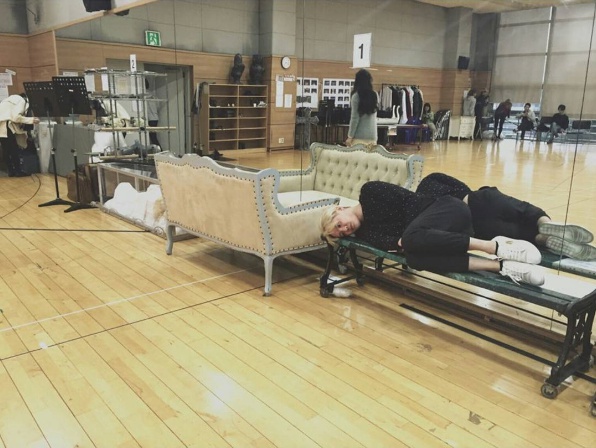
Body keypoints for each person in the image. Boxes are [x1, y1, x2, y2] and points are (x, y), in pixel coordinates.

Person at [320, 181, 547, 286]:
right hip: (445, 235)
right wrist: (406, 237)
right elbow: (397, 244)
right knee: (413, 256)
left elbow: (408, 203)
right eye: (341, 234)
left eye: (338, 224)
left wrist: (407, 235)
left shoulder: (370, 192)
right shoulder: (366, 234)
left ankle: (496, 247)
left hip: (448, 209)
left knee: (411, 240)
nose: (344, 230)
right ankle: (502, 266)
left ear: (340, 209)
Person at [416, 172, 596, 261]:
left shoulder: (419, 204)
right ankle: (545, 223)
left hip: (473, 222)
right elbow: (462, 186)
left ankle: (541, 239)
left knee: (515, 234)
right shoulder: (430, 179)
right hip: (479, 199)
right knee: (523, 209)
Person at [0, 93, 40, 177]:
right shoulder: (21, 101)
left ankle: (11, 171)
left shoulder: (9, 99)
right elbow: (16, 117)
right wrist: (31, 120)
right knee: (13, 149)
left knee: (6, 150)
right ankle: (18, 171)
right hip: (6, 125)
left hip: (2, 125)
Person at [345, 69, 378, 147]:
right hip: (372, 136)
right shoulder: (375, 95)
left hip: (358, 136)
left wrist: (350, 136)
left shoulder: (356, 96)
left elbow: (355, 118)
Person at [145, 78, 161, 149]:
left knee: (151, 137)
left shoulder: (142, 95)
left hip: (148, 118)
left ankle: (160, 151)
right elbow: (158, 106)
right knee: (153, 136)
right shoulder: (153, 95)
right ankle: (158, 150)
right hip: (155, 118)